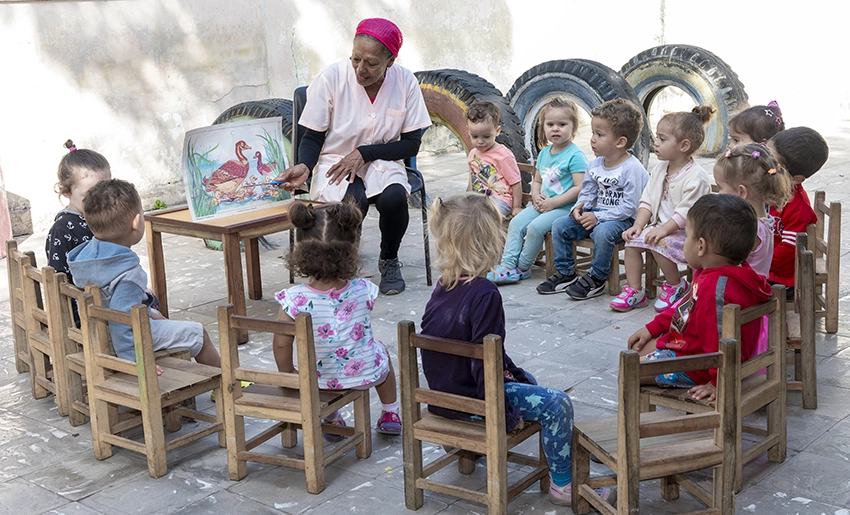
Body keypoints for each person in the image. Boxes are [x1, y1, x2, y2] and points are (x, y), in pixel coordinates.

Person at [420, 192, 614, 506]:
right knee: (557, 404)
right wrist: (503, 413)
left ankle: (467, 446)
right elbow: (485, 364)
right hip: (474, 401)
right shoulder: (484, 293)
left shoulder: (444, 284)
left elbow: (483, 352)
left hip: (445, 397)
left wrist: (515, 375)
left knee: (529, 381)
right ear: (491, 242)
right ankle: (563, 485)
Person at [276, 18, 431, 296]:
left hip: (382, 159)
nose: (361, 69)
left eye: (371, 63)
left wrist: (365, 153)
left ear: (390, 61)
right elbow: (312, 136)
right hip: (336, 159)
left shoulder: (406, 81)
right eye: (355, 59)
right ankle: (344, 266)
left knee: (395, 198)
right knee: (352, 201)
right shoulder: (331, 78)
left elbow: (411, 145)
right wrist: (305, 165)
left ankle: (389, 259)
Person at [273, 201, 401, 436]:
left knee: (321, 360)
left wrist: (288, 374)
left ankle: (331, 417)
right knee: (381, 352)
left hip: (317, 381)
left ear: (299, 252)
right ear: (352, 252)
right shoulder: (365, 288)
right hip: (364, 375)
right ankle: (390, 412)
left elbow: (282, 343)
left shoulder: (292, 299)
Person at [628, 194, 773, 401]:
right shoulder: (725, 272)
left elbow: (720, 341)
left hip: (701, 364)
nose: (686, 243)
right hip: (696, 351)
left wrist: (718, 383)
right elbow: (684, 307)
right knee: (636, 348)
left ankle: (634, 429)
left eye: (687, 236)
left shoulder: (715, 290)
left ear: (701, 246)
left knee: (629, 369)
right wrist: (653, 327)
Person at [67, 179, 221, 369]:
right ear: (137, 222)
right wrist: (135, 360)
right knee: (198, 333)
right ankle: (226, 386)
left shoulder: (86, 259)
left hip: (95, 333)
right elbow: (121, 319)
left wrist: (150, 311)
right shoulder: (128, 274)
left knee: (158, 315)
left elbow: (114, 301)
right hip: (124, 341)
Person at [537, 98, 649, 299]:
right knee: (561, 225)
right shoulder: (596, 164)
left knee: (603, 231)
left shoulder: (632, 169)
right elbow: (588, 192)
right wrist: (580, 208)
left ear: (620, 142)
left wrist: (599, 218)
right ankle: (565, 272)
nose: (592, 139)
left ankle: (597, 278)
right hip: (598, 214)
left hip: (624, 219)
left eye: (599, 134)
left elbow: (631, 206)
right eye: (593, 133)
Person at [613, 106, 714, 312]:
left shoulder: (696, 177)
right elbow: (647, 200)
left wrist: (662, 229)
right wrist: (638, 225)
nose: (655, 143)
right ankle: (635, 290)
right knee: (632, 241)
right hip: (661, 229)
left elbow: (687, 213)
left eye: (662, 139)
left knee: (658, 241)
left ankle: (676, 286)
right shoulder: (660, 168)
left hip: (689, 236)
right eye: (656, 137)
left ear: (684, 145)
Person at [489, 97, 587, 284]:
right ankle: (507, 265)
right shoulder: (544, 153)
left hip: (565, 208)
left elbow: (579, 187)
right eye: (550, 124)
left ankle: (523, 266)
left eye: (562, 124)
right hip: (544, 203)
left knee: (535, 228)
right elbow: (537, 180)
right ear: (543, 127)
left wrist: (554, 202)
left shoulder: (575, 155)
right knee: (517, 223)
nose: (555, 129)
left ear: (573, 127)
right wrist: (535, 195)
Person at [767, 127, 829, 299]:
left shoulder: (799, 209)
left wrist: (760, 263)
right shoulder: (771, 190)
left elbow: (788, 248)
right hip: (763, 266)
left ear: (796, 179)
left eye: (773, 164)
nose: (765, 166)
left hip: (782, 279)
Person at [713, 144, 792, 278]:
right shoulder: (764, 219)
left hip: (744, 290)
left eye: (720, 187)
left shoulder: (749, 229)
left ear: (741, 192)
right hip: (753, 286)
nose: (719, 193)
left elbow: (724, 260)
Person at [46, 139, 112, 284]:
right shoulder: (62, 229)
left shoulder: (104, 216)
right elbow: (57, 280)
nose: (99, 200)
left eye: (105, 192)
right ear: (65, 191)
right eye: (89, 195)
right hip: (85, 301)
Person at [466, 100, 522, 218]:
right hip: (480, 199)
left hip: (500, 200)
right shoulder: (472, 154)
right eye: (474, 136)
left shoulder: (503, 155)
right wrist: (469, 198)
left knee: (483, 217)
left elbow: (515, 182)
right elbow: (473, 179)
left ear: (497, 131)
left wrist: (516, 206)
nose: (480, 141)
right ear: (468, 131)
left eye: (486, 136)